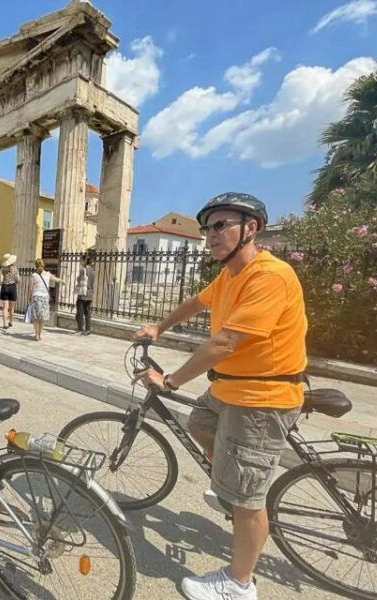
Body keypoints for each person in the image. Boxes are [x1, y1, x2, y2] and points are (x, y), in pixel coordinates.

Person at [133, 192, 307, 600]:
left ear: (251, 228)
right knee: (199, 423)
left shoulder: (269, 276)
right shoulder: (230, 274)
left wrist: (170, 381)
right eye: (206, 227)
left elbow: (226, 341)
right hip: (229, 389)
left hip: (260, 401)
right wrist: (159, 328)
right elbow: (197, 302)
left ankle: (239, 584)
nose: (209, 235)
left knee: (247, 499)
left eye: (220, 225)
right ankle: (230, 482)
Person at [29, 258, 62, 342]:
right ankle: (40, 334)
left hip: (36, 297)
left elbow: (31, 288)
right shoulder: (47, 274)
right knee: (42, 318)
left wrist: (30, 298)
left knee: (36, 317)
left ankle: (36, 335)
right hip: (45, 297)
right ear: (44, 265)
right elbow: (55, 279)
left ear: (36, 266)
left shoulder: (34, 275)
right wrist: (62, 281)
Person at [0, 252, 20, 330]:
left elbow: (0, 281)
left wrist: (2, 276)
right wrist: (15, 283)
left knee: (5, 308)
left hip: (5, 287)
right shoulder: (15, 268)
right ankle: (11, 322)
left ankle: (5, 324)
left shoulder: (2, 269)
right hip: (12, 287)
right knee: (12, 307)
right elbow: (18, 280)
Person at [75, 254, 94, 335]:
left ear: (84, 260)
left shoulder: (83, 270)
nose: (80, 262)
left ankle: (80, 329)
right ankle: (88, 329)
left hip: (83, 293)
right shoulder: (93, 271)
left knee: (79, 312)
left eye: (81, 260)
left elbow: (79, 280)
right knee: (87, 313)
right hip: (90, 293)